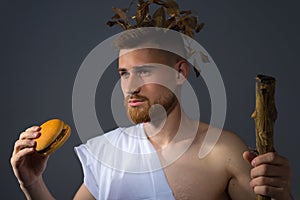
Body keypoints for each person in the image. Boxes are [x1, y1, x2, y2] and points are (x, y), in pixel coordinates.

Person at [11, 27, 293, 200]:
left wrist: (281, 195)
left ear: (180, 73)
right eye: (124, 73)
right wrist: (32, 183)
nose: (130, 87)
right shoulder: (109, 152)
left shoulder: (223, 152)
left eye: (144, 71)